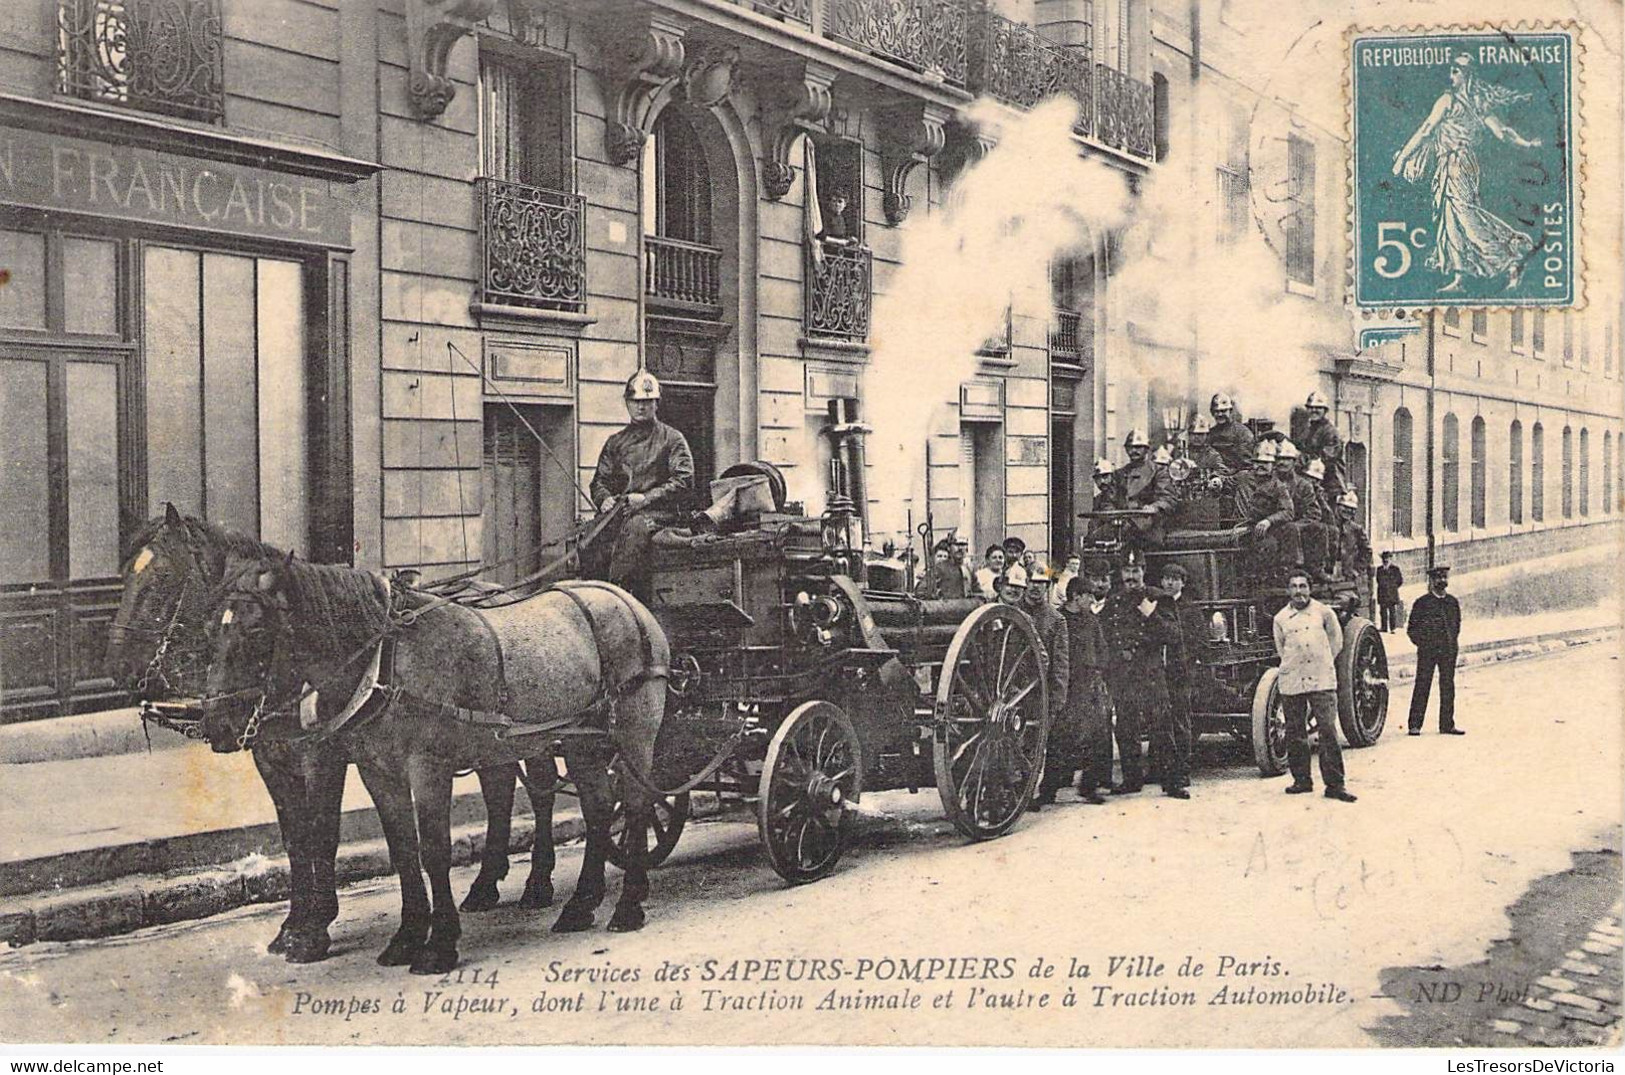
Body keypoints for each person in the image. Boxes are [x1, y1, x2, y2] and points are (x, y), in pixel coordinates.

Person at [1390, 52, 1542, 294]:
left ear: (1467, 75)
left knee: (1465, 216)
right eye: (1451, 69)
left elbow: (1426, 129)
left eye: (1456, 70)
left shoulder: (1448, 101)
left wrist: (1403, 158)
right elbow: (1503, 132)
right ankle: (1459, 278)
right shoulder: (1478, 105)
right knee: (1449, 218)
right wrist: (1526, 144)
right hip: (1455, 163)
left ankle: (1510, 259)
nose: (1451, 74)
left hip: (1456, 164)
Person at [585, 369, 694, 600]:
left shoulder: (672, 439)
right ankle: (592, 597)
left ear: (657, 404)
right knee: (589, 536)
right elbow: (599, 481)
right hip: (622, 511)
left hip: (661, 513)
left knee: (634, 532)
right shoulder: (615, 442)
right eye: (635, 402)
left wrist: (646, 498)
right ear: (627, 403)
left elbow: (683, 480)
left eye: (647, 402)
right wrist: (604, 498)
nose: (641, 407)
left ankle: (620, 601)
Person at [1099, 550, 1182, 797]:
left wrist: (1152, 614)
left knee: (1162, 728)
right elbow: (1105, 635)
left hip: (1151, 672)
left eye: (1136, 571)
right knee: (1126, 727)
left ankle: (1173, 782)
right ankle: (1132, 779)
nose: (1131, 577)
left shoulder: (1158, 598)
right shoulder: (1114, 601)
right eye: (1127, 571)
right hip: (1124, 675)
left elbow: (1174, 635)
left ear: (1144, 571)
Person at [1272, 570, 1357, 802]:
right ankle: (1301, 780)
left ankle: (1335, 785)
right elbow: (1281, 649)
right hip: (1293, 678)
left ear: (1310, 589)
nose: (1298, 591)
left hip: (1321, 678)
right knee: (1295, 731)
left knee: (1328, 731)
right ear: (1288, 590)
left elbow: (1336, 642)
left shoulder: (1324, 612)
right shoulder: (1280, 619)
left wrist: (1323, 661)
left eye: (1303, 586)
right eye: (1294, 586)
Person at [1060, 569, 1115, 804]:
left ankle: (1089, 786)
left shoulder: (1091, 620)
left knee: (1097, 735)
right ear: (1075, 596)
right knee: (1063, 735)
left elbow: (1102, 649)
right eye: (1088, 596)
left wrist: (1100, 673)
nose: (1092, 600)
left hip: (1091, 683)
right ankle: (1051, 787)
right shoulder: (1060, 620)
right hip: (1068, 684)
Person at [1023, 569, 1073, 810]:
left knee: (1038, 744)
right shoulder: (1015, 611)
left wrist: (1058, 695)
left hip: (1040, 690)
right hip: (1016, 689)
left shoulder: (1056, 619)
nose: (1035, 588)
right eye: (1032, 582)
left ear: (1048, 587)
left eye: (1041, 584)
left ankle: (1033, 792)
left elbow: (1061, 662)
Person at [1154, 563, 1203, 799]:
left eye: (1175, 579)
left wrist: (1187, 665)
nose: (1170, 583)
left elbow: (1198, 642)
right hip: (1159, 673)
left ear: (1183, 582)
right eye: (1166, 578)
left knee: (1181, 723)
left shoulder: (1190, 609)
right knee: (1162, 723)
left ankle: (1182, 772)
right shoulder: (1157, 606)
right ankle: (1163, 772)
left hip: (1180, 673)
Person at [1231, 440, 1302, 580]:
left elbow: (1288, 511)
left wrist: (1268, 521)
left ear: (1273, 465)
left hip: (1262, 529)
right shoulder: (1242, 477)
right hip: (1241, 527)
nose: (1260, 466)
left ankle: (1273, 578)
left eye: (1265, 463)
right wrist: (1216, 481)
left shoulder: (1278, 486)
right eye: (1257, 462)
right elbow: (1226, 482)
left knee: (1272, 542)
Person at [1407, 565, 1465, 736]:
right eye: (1438, 578)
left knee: (1448, 686)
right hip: (1428, 651)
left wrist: (1452, 643)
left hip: (1448, 650)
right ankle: (1414, 724)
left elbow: (1456, 625)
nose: (1442, 581)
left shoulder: (1452, 602)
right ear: (1431, 581)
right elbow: (1412, 629)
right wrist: (1424, 644)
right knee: (1422, 684)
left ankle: (1447, 724)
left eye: (1444, 578)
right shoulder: (1422, 603)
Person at [1275, 442, 1332, 581]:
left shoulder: (1303, 485)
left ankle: (1317, 568)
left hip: (1297, 523)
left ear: (1294, 462)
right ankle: (1290, 569)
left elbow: (1314, 512)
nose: (1282, 462)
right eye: (1279, 459)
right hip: (1275, 524)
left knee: (1320, 528)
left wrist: (1299, 524)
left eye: (1287, 459)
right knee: (1290, 529)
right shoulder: (1270, 482)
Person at [1113, 429, 1176, 549]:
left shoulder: (1158, 471)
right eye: (1130, 448)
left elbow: (1168, 498)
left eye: (1138, 447)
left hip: (1148, 525)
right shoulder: (1119, 474)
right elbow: (1109, 499)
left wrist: (1154, 507)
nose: (1133, 451)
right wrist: (1112, 516)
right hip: (1121, 525)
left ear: (1146, 449)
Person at [1299, 391, 1348, 500]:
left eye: (1318, 408)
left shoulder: (1331, 431)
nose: (1314, 410)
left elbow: (1326, 457)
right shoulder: (1309, 429)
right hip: (1313, 478)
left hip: (1329, 483)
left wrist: (1300, 458)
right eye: (1311, 408)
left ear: (1325, 410)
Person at [1336, 491, 1373, 599]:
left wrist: (1357, 569)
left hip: (1348, 574)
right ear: (1338, 506)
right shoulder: (1329, 526)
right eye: (1345, 507)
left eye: (1352, 509)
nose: (1348, 511)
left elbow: (1367, 551)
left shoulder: (1356, 529)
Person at [1208, 393, 1256, 473]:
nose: (1220, 414)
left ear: (1230, 411)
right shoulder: (1210, 433)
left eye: (1223, 411)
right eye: (1216, 411)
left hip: (1236, 477)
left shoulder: (1243, 433)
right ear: (1212, 413)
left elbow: (1247, 465)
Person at [1376, 552, 1404, 633]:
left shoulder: (1395, 569)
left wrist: (1393, 587)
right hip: (1382, 594)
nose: (1385, 560)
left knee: (1392, 611)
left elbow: (1400, 581)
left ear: (1390, 559)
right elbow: (1378, 580)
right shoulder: (1380, 569)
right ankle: (1384, 627)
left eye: (1387, 558)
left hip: (1392, 594)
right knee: (1383, 611)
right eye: (1384, 558)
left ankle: (1393, 628)